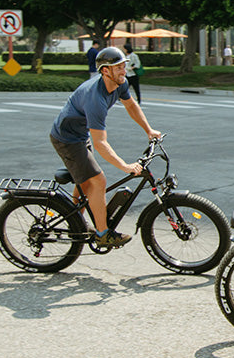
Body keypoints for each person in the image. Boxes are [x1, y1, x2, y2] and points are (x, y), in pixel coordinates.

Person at [50, 47, 161, 248]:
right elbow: (100, 143)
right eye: (117, 67)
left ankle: (74, 222)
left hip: (80, 135)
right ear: (105, 71)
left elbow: (131, 106)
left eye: (123, 65)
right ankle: (103, 234)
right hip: (66, 139)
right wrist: (125, 166)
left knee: (84, 182)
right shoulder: (95, 99)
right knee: (98, 180)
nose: (123, 70)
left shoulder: (120, 83)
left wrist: (148, 130)